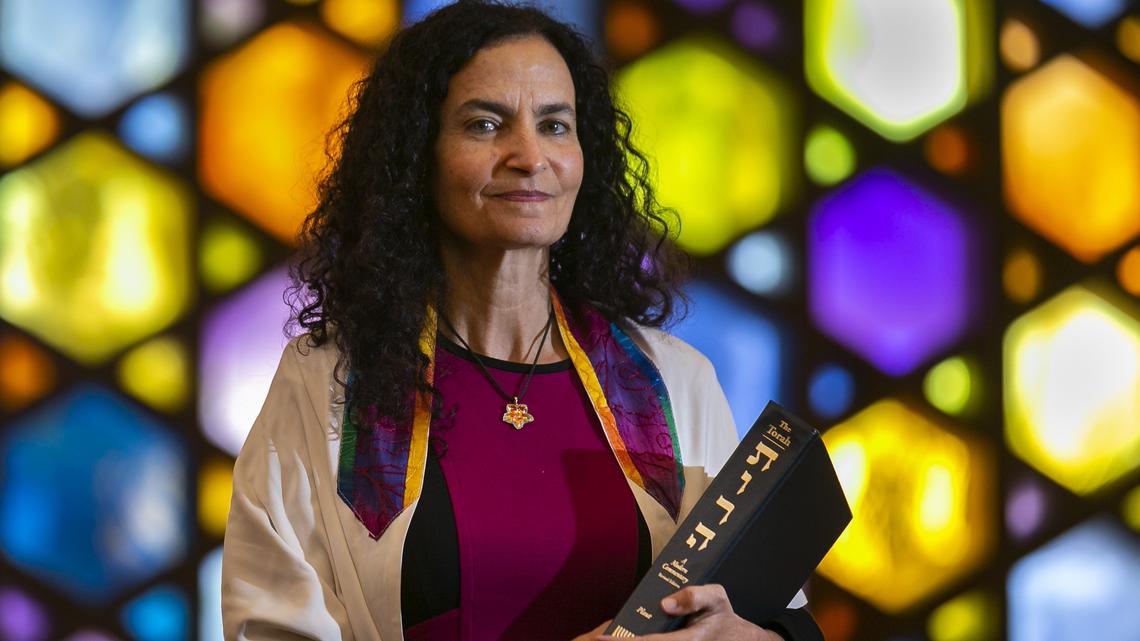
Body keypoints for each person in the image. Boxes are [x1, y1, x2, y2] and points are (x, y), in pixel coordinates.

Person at [221, 2, 824, 640]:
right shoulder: (329, 385)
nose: (529, 156)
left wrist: (750, 636)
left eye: (555, 125)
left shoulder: (674, 380)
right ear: (415, 156)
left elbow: (769, 602)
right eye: (485, 125)